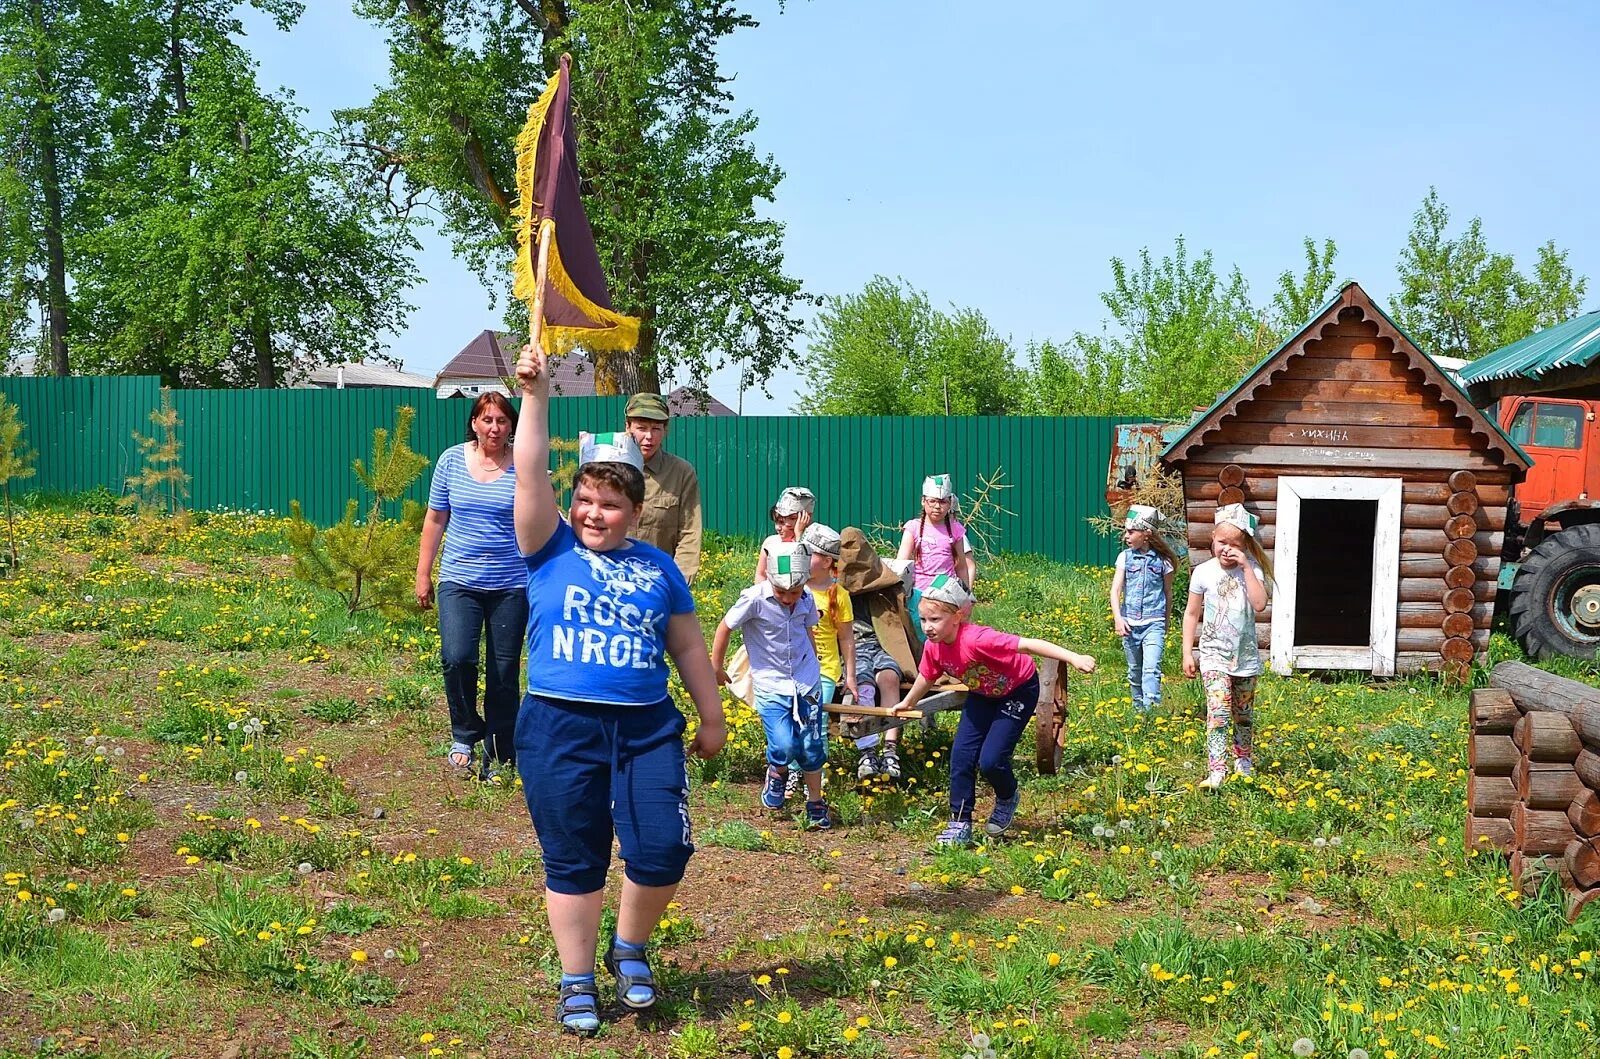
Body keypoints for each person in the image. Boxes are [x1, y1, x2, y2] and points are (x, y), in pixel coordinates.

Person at [509, 344, 726, 1035]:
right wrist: (537, 395)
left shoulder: (661, 568)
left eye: (608, 503)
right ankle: (576, 977)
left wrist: (712, 716)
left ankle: (628, 947)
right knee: (573, 853)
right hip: (558, 723)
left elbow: (688, 644)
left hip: (645, 727)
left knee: (663, 847)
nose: (593, 513)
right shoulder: (549, 547)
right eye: (585, 500)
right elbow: (529, 471)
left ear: (633, 508)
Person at [895, 575, 1096, 846]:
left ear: (957, 616)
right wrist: (908, 702)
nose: (928, 627)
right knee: (961, 757)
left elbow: (1029, 644)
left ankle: (1007, 795)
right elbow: (927, 676)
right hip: (982, 695)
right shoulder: (935, 647)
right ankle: (960, 822)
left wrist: (1074, 657)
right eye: (924, 620)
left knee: (991, 761)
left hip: (1018, 691)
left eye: (935, 619)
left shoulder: (979, 639)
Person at [415, 392, 527, 781]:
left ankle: (498, 751)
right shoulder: (451, 461)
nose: (494, 428)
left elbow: (543, 517)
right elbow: (434, 520)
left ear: (511, 425)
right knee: (457, 656)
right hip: (459, 580)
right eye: (487, 419)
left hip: (512, 584)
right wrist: (423, 573)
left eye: (501, 420)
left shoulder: (523, 463)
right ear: (474, 423)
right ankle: (465, 732)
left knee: (503, 671)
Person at [712, 538, 833, 831]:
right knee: (784, 743)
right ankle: (778, 771)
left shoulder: (805, 599)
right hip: (771, 683)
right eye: (782, 592)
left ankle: (815, 801)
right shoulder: (754, 599)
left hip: (806, 681)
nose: (789, 598)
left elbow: (808, 631)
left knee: (811, 745)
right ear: (769, 580)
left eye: (795, 591)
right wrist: (715, 665)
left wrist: (814, 662)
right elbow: (725, 627)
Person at [1181, 504, 1273, 791]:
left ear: (1245, 546)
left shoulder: (1252, 570)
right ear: (1212, 538)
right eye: (1222, 542)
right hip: (1213, 656)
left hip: (1244, 658)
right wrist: (1187, 652)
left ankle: (1243, 762)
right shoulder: (1203, 573)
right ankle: (1216, 770)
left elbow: (1259, 605)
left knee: (1243, 715)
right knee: (1218, 713)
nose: (1227, 549)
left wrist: (1246, 566)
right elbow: (1192, 614)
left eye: (1235, 544)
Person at [838, 526, 917, 781]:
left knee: (889, 678)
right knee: (862, 686)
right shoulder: (835, 592)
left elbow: (897, 623)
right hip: (853, 649)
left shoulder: (883, 585)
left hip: (882, 645)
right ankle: (867, 750)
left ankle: (891, 748)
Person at [624, 393, 703, 585]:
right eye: (641, 428)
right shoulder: (607, 467)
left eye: (656, 429)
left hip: (660, 582)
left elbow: (690, 532)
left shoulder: (681, 472)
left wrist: (678, 583)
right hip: (610, 582)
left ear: (665, 430)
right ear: (627, 427)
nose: (649, 437)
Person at [1109, 505, 1178, 716]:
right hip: (1130, 623)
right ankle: (1138, 711)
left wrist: (1165, 623)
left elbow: (1167, 593)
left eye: (1131, 531)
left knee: (1151, 669)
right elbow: (1115, 590)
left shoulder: (1163, 561)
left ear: (1146, 534)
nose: (1126, 536)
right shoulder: (1125, 558)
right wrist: (1118, 619)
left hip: (1153, 623)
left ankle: (1151, 714)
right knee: (1135, 671)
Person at [897, 474, 976, 638]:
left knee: (946, 635)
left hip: (946, 593)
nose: (937, 507)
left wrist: (966, 596)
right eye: (932, 501)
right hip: (919, 593)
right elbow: (901, 564)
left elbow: (961, 566)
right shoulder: (913, 528)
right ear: (923, 501)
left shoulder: (955, 529)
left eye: (942, 502)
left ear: (950, 503)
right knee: (920, 635)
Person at [754, 487, 815, 582]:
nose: (778, 528)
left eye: (783, 522)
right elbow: (760, 574)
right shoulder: (771, 543)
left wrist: (799, 535)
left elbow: (806, 572)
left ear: (805, 518)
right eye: (777, 522)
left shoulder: (814, 544)